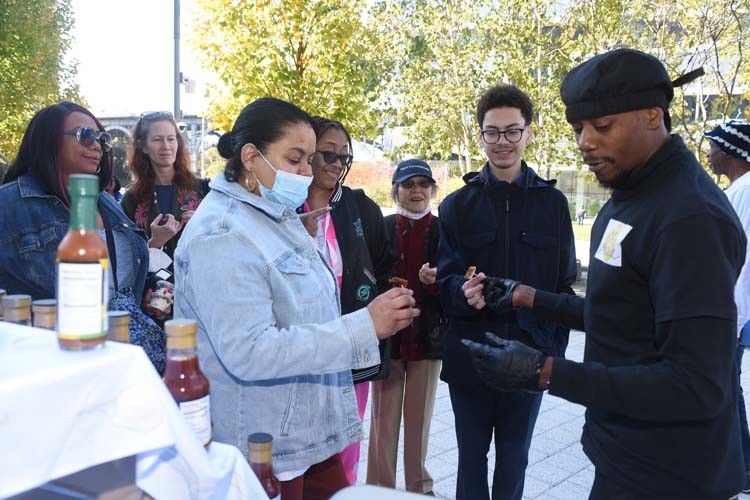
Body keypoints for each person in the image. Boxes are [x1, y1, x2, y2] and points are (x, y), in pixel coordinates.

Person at [462, 49, 745, 499]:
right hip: (624, 452)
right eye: (579, 129)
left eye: (603, 126)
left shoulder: (689, 219)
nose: (585, 143)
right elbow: (620, 312)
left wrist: (545, 371)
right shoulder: (631, 192)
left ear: (654, 115)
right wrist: (527, 296)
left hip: (673, 472)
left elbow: (695, 386)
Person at [173, 97, 420, 500]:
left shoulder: (274, 214)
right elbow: (251, 351)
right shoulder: (221, 235)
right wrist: (364, 326)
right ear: (251, 157)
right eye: (295, 159)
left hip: (304, 435)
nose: (307, 173)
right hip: (264, 447)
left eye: (309, 160)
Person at [436, 84, 577, 500]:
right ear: (479, 135)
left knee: (515, 459)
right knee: (470, 461)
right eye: (493, 132)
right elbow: (444, 281)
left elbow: (563, 286)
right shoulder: (456, 205)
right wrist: (463, 291)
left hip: (530, 357)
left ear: (529, 133)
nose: (502, 142)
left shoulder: (553, 204)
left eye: (512, 131)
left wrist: (552, 352)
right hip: (470, 358)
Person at [0, 102, 165, 370]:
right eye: (85, 135)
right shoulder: (9, 204)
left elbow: (119, 275)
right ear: (48, 142)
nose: (97, 146)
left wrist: (152, 288)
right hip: (56, 360)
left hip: (128, 352)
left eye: (102, 139)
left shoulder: (105, 201)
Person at [300, 116, 397, 485]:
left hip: (353, 344)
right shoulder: (285, 207)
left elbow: (384, 264)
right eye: (328, 154)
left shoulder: (359, 207)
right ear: (308, 153)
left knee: (346, 437)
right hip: (303, 348)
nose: (337, 165)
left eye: (344, 157)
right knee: (305, 441)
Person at [367, 159, 446, 495]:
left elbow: (456, 282)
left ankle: (419, 486)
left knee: (419, 422)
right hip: (387, 342)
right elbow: (366, 278)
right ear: (396, 191)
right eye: (408, 184)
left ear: (432, 189)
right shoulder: (381, 229)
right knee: (382, 423)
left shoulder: (443, 231)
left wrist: (436, 282)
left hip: (427, 340)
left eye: (423, 184)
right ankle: (380, 487)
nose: (416, 191)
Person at [705, 119, 750, 493]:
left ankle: (741, 470)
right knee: (728, 389)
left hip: (727, 313)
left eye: (713, 146)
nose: (708, 153)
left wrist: (726, 315)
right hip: (731, 313)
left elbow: (737, 260)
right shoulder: (739, 189)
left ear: (731, 150)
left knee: (725, 391)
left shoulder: (744, 192)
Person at [120, 111, 208, 260]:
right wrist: (155, 242)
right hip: (152, 283)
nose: (166, 146)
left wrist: (202, 226)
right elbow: (124, 257)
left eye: (171, 139)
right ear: (143, 146)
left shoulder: (204, 190)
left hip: (198, 281)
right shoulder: (131, 199)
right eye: (157, 139)